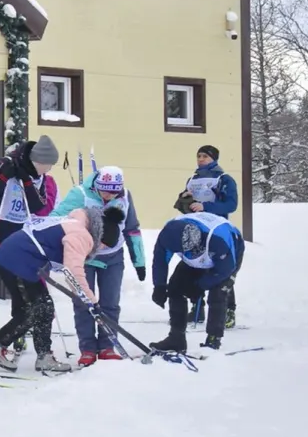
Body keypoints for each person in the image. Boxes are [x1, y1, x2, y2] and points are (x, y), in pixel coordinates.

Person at [0, 206, 98, 373]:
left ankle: (43, 356)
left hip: (17, 258)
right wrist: (89, 299)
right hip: (18, 260)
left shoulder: (70, 223)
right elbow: (73, 270)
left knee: (41, 308)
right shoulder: (82, 235)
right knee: (39, 308)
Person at [51, 165, 145, 366]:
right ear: (97, 185)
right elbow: (55, 219)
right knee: (84, 301)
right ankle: (87, 349)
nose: (108, 195)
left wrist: (139, 261)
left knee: (110, 303)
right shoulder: (80, 194)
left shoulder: (125, 196)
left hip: (113, 257)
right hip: (84, 257)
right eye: (104, 190)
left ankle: (107, 346)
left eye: (113, 191)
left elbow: (132, 229)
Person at [0, 136, 61, 349]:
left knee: (20, 284)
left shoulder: (38, 177)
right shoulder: (4, 163)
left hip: (20, 232)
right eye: (47, 166)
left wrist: (28, 181)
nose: (48, 170)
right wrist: (4, 178)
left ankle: (18, 327)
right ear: (37, 160)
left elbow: (37, 206)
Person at [150, 210, 246, 353]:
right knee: (175, 287)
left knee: (218, 292)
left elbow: (224, 270)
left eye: (194, 250)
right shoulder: (167, 235)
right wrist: (159, 286)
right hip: (195, 256)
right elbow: (160, 261)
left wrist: (200, 286)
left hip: (228, 255)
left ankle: (213, 339)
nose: (192, 253)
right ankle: (176, 338)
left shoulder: (218, 239)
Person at [182, 145, 241, 329]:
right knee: (195, 266)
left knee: (221, 270)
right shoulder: (192, 179)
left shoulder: (223, 179)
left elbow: (231, 205)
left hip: (217, 230)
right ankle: (197, 307)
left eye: (205, 156)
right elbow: (185, 205)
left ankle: (228, 311)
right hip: (196, 228)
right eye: (198, 156)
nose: (200, 159)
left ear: (214, 158)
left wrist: (205, 207)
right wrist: (184, 200)